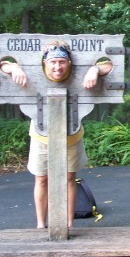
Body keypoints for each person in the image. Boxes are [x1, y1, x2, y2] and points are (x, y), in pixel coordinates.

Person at [0, 40, 112, 228]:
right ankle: (40, 225)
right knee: (42, 179)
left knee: (69, 178)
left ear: (69, 63)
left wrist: (94, 69)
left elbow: (110, 63)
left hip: (71, 136)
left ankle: (69, 225)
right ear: (44, 63)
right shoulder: (35, 71)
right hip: (40, 135)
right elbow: (2, 62)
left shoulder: (78, 70)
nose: (57, 66)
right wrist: (12, 67)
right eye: (53, 62)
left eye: (62, 61)